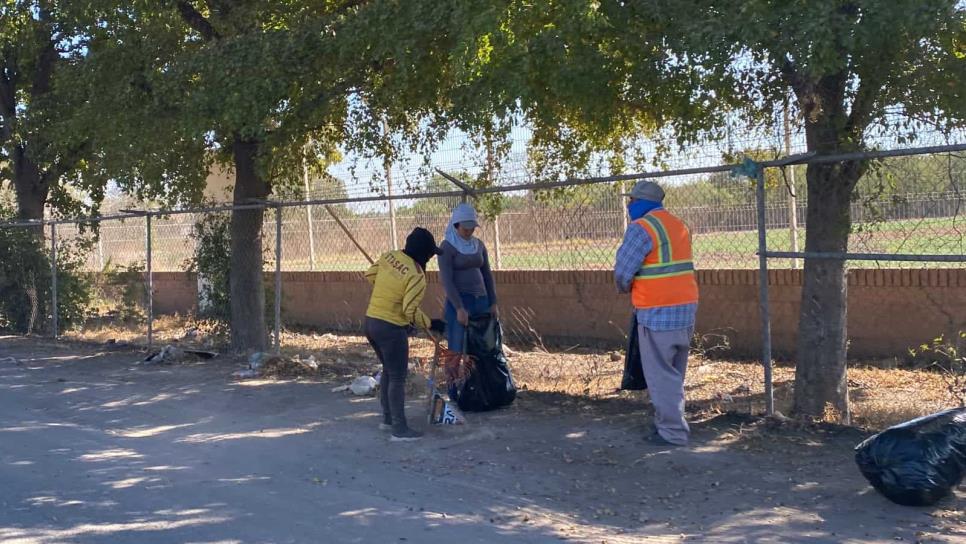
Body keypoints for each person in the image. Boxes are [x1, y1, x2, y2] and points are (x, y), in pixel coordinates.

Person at [614, 180, 699, 447]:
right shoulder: (679, 225)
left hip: (657, 311)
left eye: (631, 201)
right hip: (685, 308)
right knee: (674, 371)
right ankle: (672, 424)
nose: (629, 205)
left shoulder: (642, 228)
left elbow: (623, 272)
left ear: (640, 202)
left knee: (661, 374)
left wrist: (624, 286)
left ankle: (672, 433)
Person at [364, 227, 446, 442]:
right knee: (398, 377)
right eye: (430, 254)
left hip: (371, 322)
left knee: (389, 372)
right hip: (391, 328)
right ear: (424, 254)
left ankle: (388, 420)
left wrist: (388, 290)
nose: (430, 258)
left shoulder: (388, 256)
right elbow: (409, 310)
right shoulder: (417, 275)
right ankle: (400, 430)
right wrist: (431, 322)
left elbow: (371, 274)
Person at [438, 203, 499, 355]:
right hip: (460, 302)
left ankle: (481, 378)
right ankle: (456, 378)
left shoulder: (478, 245)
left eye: (472, 228)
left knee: (484, 345)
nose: (469, 231)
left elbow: (487, 275)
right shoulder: (447, 247)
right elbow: (447, 280)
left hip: (482, 300)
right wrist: (459, 307)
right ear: (455, 225)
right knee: (458, 347)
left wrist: (493, 302)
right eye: (465, 228)